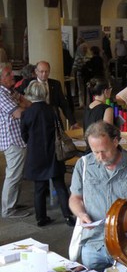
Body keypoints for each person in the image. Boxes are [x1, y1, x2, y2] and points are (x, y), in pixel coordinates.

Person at [69, 121, 127, 272]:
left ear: (116, 141)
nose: (100, 156)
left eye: (104, 151)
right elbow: (75, 198)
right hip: (94, 242)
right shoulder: (83, 165)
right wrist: (81, 213)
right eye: (95, 152)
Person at [20, 81, 75, 227]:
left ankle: (41, 218)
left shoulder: (27, 113)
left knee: (39, 188)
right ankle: (68, 216)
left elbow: (24, 135)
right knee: (60, 186)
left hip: (35, 155)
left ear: (30, 93)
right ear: (44, 93)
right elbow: (59, 129)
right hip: (53, 153)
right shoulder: (51, 110)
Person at [0, 62, 32, 218]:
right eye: (8, 74)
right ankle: (8, 209)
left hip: (18, 139)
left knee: (17, 174)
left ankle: (13, 204)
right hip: (12, 141)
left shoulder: (9, 91)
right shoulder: (1, 94)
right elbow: (20, 113)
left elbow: (28, 104)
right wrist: (21, 107)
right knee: (13, 175)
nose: (12, 76)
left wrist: (21, 105)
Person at [25, 61, 79, 129]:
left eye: (46, 71)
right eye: (41, 71)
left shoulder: (55, 84)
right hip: (36, 121)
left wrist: (73, 122)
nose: (44, 74)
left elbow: (64, 104)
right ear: (36, 71)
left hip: (54, 121)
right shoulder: (29, 83)